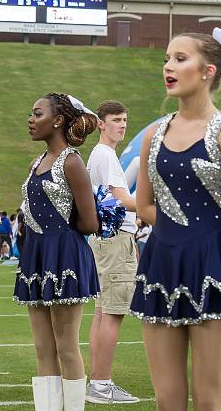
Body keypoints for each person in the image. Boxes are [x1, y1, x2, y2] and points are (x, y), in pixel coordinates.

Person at [130, 29, 221, 410]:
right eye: (166, 59)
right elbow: (144, 207)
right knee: (167, 399)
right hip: (160, 267)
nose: (168, 67)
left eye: (179, 58)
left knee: (208, 399)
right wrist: (184, 223)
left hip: (212, 268)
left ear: (208, 70)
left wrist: (203, 225)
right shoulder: (154, 134)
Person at [13, 93, 100, 410]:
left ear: (58, 120)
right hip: (36, 255)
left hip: (64, 255)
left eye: (37, 114)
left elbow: (89, 222)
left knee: (66, 344)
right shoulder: (36, 162)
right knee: (42, 346)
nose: (31, 120)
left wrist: (58, 235)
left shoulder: (73, 162)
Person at [86, 100, 140, 404]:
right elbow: (122, 199)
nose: (122, 124)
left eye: (125, 119)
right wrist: (157, 205)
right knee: (113, 313)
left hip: (107, 239)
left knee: (102, 312)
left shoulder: (103, 155)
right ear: (100, 123)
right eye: (116, 119)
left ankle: (98, 381)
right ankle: (102, 385)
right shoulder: (105, 155)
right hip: (115, 240)